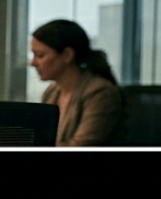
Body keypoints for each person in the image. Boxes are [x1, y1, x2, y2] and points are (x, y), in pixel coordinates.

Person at [30, 19, 121, 147]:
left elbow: (81, 146)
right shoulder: (51, 92)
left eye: (40, 55)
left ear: (67, 55)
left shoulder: (100, 93)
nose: (33, 63)